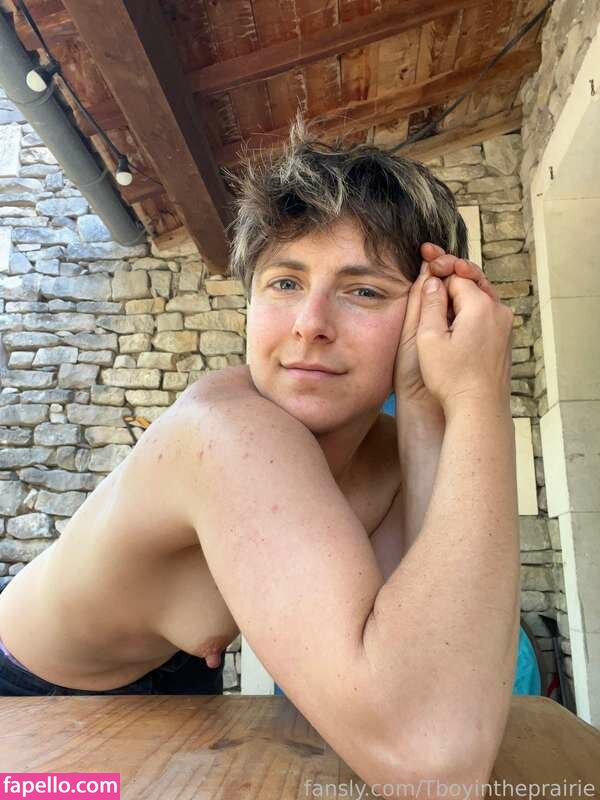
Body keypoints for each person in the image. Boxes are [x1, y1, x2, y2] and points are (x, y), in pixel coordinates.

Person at [0, 116, 518, 791]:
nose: (310, 325)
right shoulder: (228, 433)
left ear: (432, 311)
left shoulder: (389, 457)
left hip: (177, 685)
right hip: (29, 697)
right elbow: (431, 758)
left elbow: (429, 669)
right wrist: (479, 397)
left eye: (364, 290)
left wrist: (429, 404)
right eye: (284, 283)